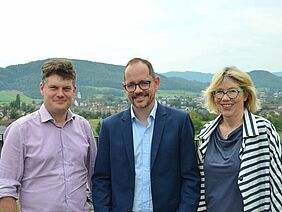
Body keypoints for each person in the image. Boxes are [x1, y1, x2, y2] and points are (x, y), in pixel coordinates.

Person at [92, 57, 200, 212]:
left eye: (144, 83)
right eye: (131, 85)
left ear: (156, 82)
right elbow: (101, 179)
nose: (138, 90)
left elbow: (191, 178)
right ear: (124, 87)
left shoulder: (179, 122)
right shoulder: (110, 127)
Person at [0, 59, 97, 212]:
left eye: (66, 88)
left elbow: (94, 177)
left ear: (73, 90)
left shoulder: (84, 127)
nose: (60, 94)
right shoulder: (20, 130)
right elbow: (6, 188)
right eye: (53, 88)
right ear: (42, 88)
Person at [197, 66, 282, 212]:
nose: (225, 98)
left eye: (232, 91)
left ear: (245, 95)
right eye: (219, 92)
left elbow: (278, 183)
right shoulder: (206, 134)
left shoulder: (263, 131)